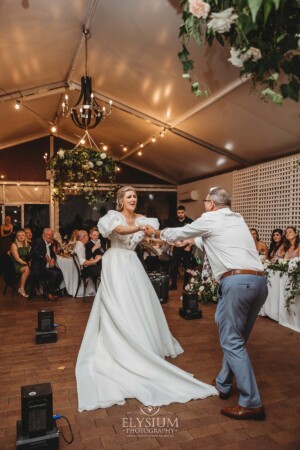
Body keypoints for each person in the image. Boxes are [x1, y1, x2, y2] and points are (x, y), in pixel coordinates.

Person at [75, 186, 217, 410]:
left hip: (132, 263)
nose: (133, 199)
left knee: (138, 304)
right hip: (115, 262)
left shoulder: (143, 218)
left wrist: (154, 246)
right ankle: (118, 343)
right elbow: (121, 231)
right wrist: (140, 228)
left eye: (135, 196)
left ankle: (141, 341)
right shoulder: (114, 217)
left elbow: (139, 240)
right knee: (116, 303)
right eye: (129, 196)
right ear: (121, 200)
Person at [149, 187, 268, 420]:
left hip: (237, 282)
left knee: (232, 341)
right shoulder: (237, 219)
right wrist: (191, 242)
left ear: (211, 204)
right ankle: (224, 383)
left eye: (205, 201)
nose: (205, 204)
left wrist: (158, 232)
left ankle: (252, 402)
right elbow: (209, 241)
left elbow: (179, 233)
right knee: (235, 338)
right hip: (259, 282)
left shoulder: (210, 218)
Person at [30, 228, 63, 301]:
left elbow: (53, 254)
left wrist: (53, 260)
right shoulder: (39, 241)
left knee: (60, 273)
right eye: (48, 235)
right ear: (43, 235)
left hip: (47, 266)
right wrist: (43, 257)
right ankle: (49, 293)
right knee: (53, 273)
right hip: (39, 267)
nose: (50, 236)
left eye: (51, 235)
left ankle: (50, 290)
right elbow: (33, 252)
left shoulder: (50, 243)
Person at [169, 205, 193, 290]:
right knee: (174, 267)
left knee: (187, 267)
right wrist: (171, 246)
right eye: (179, 213)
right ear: (177, 213)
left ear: (185, 212)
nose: (180, 214)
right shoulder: (173, 222)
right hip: (176, 246)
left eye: (182, 212)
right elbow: (171, 235)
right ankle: (173, 284)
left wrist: (189, 245)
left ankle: (186, 285)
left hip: (186, 247)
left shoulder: (190, 221)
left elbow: (193, 235)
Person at [10, 230, 31, 297]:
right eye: (19, 235)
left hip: (24, 263)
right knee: (27, 269)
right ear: (16, 237)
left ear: (25, 236)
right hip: (16, 265)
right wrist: (27, 264)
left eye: (23, 235)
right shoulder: (14, 245)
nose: (21, 237)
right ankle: (21, 289)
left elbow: (30, 256)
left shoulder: (27, 245)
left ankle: (33, 289)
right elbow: (17, 259)